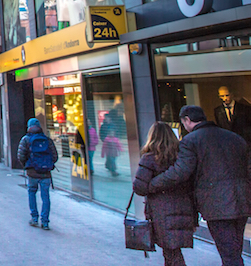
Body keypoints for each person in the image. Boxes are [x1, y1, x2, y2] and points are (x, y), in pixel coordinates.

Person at [149, 105, 251, 266]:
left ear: (187, 120)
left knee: (229, 254)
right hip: (243, 199)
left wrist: (153, 183)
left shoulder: (191, 141)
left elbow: (181, 172)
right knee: (234, 250)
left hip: (216, 204)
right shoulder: (235, 138)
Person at [133, 122, 197, 266]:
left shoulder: (150, 158)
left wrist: (152, 186)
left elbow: (139, 188)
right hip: (184, 208)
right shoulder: (181, 157)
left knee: (172, 253)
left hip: (162, 212)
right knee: (171, 252)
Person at [17, 117, 58, 230]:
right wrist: (47, 164)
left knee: (32, 193)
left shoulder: (26, 139)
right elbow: (55, 156)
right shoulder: (47, 139)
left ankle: (34, 218)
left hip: (32, 172)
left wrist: (27, 165)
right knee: (45, 196)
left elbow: (20, 156)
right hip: (46, 173)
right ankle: (45, 221)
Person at [100, 105, 126, 176]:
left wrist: (116, 139)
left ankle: (109, 166)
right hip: (107, 143)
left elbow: (117, 133)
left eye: (107, 118)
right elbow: (101, 133)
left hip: (113, 145)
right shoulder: (103, 125)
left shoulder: (113, 125)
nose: (106, 119)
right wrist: (103, 139)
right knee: (111, 158)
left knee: (111, 158)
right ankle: (113, 170)